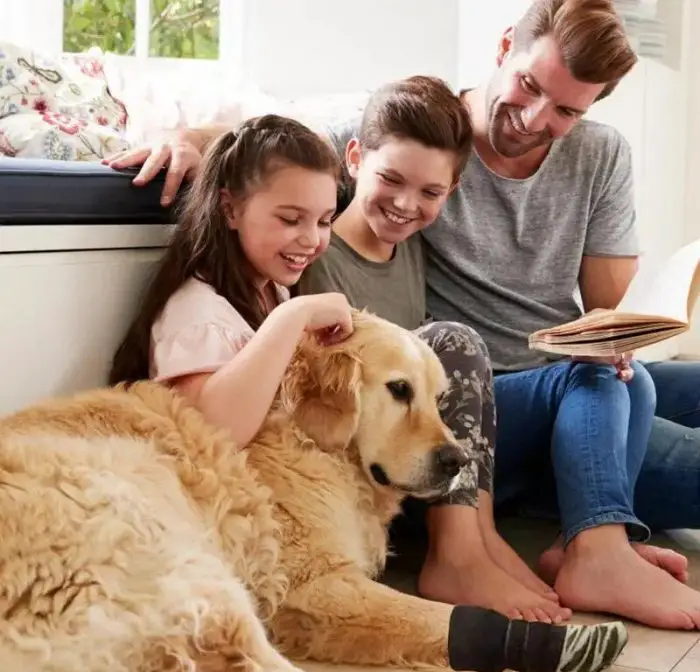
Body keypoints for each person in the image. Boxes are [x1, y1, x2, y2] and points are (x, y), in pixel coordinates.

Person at [102, 0, 700, 631]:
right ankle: (596, 546)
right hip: (486, 392)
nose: (533, 118)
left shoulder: (592, 158)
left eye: (566, 111)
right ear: (505, 48)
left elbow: (607, 300)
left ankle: (590, 527)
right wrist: (186, 138)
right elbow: (269, 145)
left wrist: (619, 331)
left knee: (639, 382)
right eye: (529, 86)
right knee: (598, 383)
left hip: (554, 376)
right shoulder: (392, 143)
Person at [296, 75, 570, 623]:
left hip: (422, 462)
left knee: (474, 360)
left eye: (430, 193)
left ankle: (481, 535)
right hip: (360, 462)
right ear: (353, 158)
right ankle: (458, 554)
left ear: (452, 189)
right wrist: (192, 137)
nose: (404, 205)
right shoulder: (316, 258)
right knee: (453, 341)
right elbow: (268, 139)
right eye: (390, 180)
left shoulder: (412, 245)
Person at [109, 114, 356, 456]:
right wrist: (293, 315)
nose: (313, 239)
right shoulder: (199, 314)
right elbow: (215, 432)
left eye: (325, 220)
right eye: (290, 219)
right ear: (230, 209)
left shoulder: (271, 289)